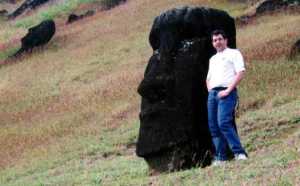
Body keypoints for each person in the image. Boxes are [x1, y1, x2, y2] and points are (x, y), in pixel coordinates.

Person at [206, 29, 247, 166]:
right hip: (213, 95)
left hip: (227, 92)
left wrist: (228, 90)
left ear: (225, 40)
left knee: (223, 122)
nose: (217, 42)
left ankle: (239, 152)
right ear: (213, 43)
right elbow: (208, 78)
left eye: (219, 39)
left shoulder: (234, 53)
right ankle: (221, 157)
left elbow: (240, 72)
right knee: (214, 127)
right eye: (215, 40)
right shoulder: (212, 59)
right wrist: (211, 92)